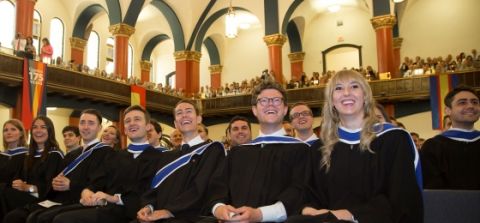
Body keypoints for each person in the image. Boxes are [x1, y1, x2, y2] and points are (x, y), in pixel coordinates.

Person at [287, 70, 423, 223]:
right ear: (331, 101)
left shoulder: (394, 139)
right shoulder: (320, 148)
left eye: (354, 86)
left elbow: (402, 198)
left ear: (365, 96)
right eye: (338, 88)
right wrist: (308, 209)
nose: (346, 93)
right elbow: (311, 194)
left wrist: (347, 214)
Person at [208, 80, 310, 222]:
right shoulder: (238, 153)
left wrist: (259, 214)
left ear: (285, 109)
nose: (270, 104)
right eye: (263, 101)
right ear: (255, 110)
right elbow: (218, 187)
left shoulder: (301, 150)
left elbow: (299, 192)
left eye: (276, 100)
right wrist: (219, 208)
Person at [52, 105, 167, 223]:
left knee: (62, 220)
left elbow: (149, 193)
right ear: (124, 129)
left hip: (134, 213)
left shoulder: (160, 158)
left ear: (148, 126)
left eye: (137, 119)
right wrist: (88, 192)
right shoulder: (114, 156)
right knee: (51, 216)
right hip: (106, 207)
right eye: (127, 121)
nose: (132, 123)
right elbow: (100, 180)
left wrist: (114, 198)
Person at [3, 109, 113, 223]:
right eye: (82, 122)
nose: (85, 127)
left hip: (85, 201)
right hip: (62, 199)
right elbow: (57, 184)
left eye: (91, 123)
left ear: (99, 128)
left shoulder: (106, 152)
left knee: (40, 218)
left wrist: (71, 185)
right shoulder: (72, 154)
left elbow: (100, 184)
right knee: (19, 216)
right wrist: (56, 183)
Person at [132, 99, 226, 222]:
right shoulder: (166, 156)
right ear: (176, 124)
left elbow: (201, 187)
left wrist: (169, 211)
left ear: (199, 118)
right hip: (158, 215)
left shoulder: (212, 150)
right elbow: (155, 189)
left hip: (190, 216)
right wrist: (148, 207)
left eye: (188, 111)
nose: (184, 115)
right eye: (179, 113)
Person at [0, 116, 64, 221]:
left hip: (45, 200)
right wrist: (18, 183)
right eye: (35, 127)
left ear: (50, 131)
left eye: (43, 127)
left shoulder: (54, 155)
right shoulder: (29, 155)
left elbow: (50, 188)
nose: (38, 130)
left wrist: (27, 187)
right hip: (27, 196)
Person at [421, 86, 480, 189]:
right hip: (450, 204)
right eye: (462, 102)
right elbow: (433, 190)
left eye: (475, 102)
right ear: (448, 110)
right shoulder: (433, 147)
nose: (471, 106)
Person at [0, 119, 28, 185]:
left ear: (21, 133)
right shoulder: (2, 156)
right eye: (5, 130)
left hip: (17, 194)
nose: (9, 133)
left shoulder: (27, 156)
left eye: (13, 129)